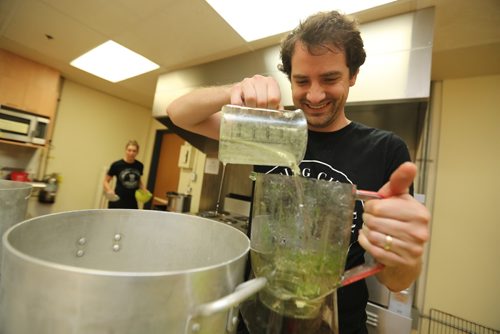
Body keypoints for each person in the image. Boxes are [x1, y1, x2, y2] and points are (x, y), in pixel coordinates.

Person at [166, 10, 430, 334]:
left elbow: (395, 279)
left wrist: (406, 254)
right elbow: (179, 114)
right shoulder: (271, 131)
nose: (315, 95)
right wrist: (235, 88)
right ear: (289, 78)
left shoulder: (385, 150)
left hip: (336, 324)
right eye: (302, 81)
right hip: (259, 321)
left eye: (330, 79)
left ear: (353, 75)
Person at [103, 140, 146, 209]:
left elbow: (138, 180)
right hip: (117, 200)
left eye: (134, 151)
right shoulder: (116, 165)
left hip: (132, 201)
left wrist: (144, 189)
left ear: (137, 152)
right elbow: (105, 181)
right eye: (129, 150)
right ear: (125, 150)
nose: (131, 153)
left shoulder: (140, 165)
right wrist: (109, 190)